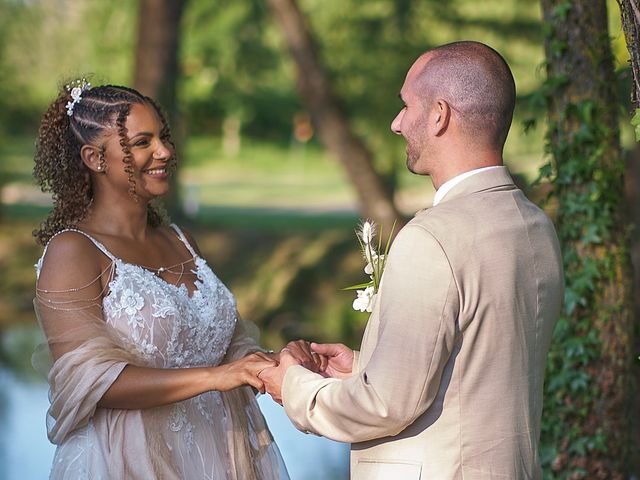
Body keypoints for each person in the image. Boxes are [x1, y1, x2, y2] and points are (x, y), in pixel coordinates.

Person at [259, 41, 564, 479]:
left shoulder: (432, 237)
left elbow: (383, 404)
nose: (396, 122)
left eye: (406, 106)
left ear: (440, 115)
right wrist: (364, 367)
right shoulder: (534, 225)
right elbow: (476, 367)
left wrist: (292, 385)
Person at [32, 80, 318, 479]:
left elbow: (225, 348)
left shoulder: (181, 240)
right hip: (128, 460)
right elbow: (91, 384)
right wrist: (216, 379)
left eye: (162, 137)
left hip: (219, 452)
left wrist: (277, 361)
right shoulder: (73, 251)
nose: (164, 151)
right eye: (142, 142)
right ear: (95, 158)